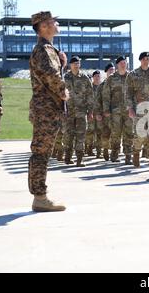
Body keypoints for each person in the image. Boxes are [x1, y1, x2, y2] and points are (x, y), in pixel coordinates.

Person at [28, 11, 69, 212]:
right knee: (41, 153)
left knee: (43, 153)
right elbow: (51, 77)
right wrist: (64, 92)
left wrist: (62, 64)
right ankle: (40, 197)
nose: (56, 23)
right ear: (44, 26)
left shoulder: (48, 49)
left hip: (48, 110)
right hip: (46, 110)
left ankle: (40, 196)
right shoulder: (43, 50)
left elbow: (51, 72)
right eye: (53, 21)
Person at [126, 52, 149, 171]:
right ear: (140, 60)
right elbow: (128, 93)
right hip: (138, 109)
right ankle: (136, 153)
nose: (146, 61)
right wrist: (130, 108)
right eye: (144, 59)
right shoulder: (133, 75)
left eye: (148, 58)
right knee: (140, 135)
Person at [63, 56, 94, 167]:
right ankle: (67, 157)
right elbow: (60, 95)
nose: (76, 65)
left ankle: (80, 159)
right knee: (68, 135)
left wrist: (90, 111)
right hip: (69, 112)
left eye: (78, 63)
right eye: (74, 63)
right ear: (70, 65)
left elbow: (90, 96)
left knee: (81, 135)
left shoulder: (85, 78)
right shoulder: (65, 78)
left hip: (81, 112)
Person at [103, 56, 134, 165]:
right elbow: (106, 95)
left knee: (129, 132)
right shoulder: (111, 78)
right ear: (117, 65)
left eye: (124, 62)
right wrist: (106, 109)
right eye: (121, 63)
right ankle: (115, 154)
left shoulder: (131, 76)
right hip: (115, 111)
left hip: (128, 110)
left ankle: (128, 156)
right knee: (116, 133)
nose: (123, 64)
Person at [98, 63, 115, 161]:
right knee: (105, 134)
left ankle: (113, 152)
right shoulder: (102, 85)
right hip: (105, 114)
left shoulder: (118, 83)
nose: (112, 72)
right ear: (106, 72)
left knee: (116, 134)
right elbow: (98, 100)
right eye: (110, 70)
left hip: (116, 113)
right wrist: (98, 113)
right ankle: (105, 149)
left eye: (113, 70)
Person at [85, 70, 103, 158]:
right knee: (90, 131)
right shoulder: (89, 88)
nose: (97, 78)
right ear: (93, 77)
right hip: (91, 112)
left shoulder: (103, 87)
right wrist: (89, 112)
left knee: (99, 132)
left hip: (100, 113)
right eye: (96, 76)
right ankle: (89, 149)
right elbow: (87, 100)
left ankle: (99, 151)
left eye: (98, 76)